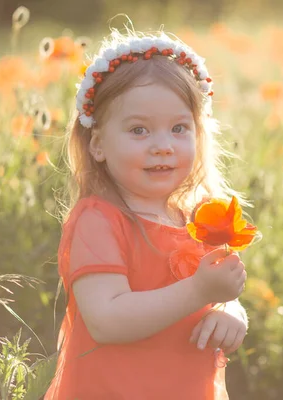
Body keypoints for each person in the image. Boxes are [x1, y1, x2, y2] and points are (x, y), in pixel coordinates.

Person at [44, 26, 249, 400]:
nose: (163, 146)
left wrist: (231, 313)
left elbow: (216, 292)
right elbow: (107, 320)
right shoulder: (99, 220)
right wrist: (200, 289)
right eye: (139, 130)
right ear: (99, 144)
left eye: (178, 128)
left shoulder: (198, 218)